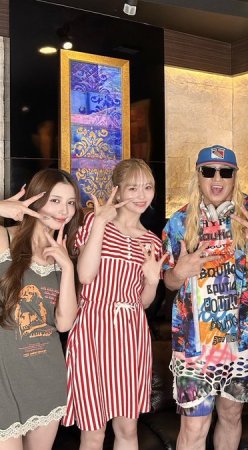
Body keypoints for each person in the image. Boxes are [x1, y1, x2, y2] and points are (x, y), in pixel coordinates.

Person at [162, 144, 248, 450]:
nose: (217, 178)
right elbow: (168, 282)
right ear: (198, 175)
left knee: (231, 415)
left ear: (235, 176)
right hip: (194, 345)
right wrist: (179, 272)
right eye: (208, 171)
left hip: (242, 342)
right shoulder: (179, 221)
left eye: (225, 172)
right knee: (193, 425)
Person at [62, 159, 166, 450]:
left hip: (131, 334)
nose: (142, 195)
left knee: (127, 429)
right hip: (92, 330)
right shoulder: (95, 225)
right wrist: (99, 223)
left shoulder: (152, 242)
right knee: (93, 433)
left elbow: (143, 302)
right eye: (133, 188)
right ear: (117, 191)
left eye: (148, 187)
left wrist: (152, 281)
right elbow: (85, 275)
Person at [0, 169, 83, 449]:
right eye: (55, 200)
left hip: (46, 377)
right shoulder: (5, 239)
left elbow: (64, 324)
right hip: (4, 378)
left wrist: (67, 267)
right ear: (36, 200)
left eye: (70, 203)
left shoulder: (64, 255)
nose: (64, 210)